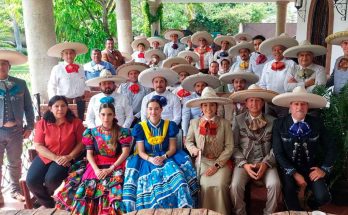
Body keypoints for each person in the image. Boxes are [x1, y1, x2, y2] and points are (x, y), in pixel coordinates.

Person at [122, 98, 199, 211]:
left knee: (180, 181)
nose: (153, 112)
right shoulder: (141, 128)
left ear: (161, 110)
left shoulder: (169, 125)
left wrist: (163, 157)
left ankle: (181, 210)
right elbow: (141, 151)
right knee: (150, 189)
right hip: (146, 159)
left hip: (167, 156)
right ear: (147, 110)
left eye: (156, 109)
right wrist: (151, 159)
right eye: (150, 109)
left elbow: (172, 148)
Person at [55, 101, 132, 214]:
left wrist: (111, 169)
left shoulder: (122, 132)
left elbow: (125, 153)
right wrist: (96, 170)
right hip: (96, 164)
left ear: (114, 115)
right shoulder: (91, 132)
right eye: (103, 114)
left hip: (116, 164)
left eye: (109, 114)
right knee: (89, 188)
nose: (106, 118)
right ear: (99, 115)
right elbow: (89, 154)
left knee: (114, 189)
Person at [272, 86, 336, 210]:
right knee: (292, 202)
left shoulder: (317, 123)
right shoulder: (279, 124)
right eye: (296, 104)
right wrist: (294, 173)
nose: (300, 107)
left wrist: (323, 169)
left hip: (311, 169)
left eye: (303, 104)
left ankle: (310, 203)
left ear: (308, 107)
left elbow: (331, 147)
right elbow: (278, 153)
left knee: (324, 197)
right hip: (289, 170)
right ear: (290, 107)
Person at [229, 84, 281, 215]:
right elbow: (234, 147)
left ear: (263, 103)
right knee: (234, 186)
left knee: (275, 184)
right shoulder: (238, 120)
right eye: (251, 100)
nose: (254, 103)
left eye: (258, 100)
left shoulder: (273, 121)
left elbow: (276, 148)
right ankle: (240, 212)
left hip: (267, 163)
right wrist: (245, 165)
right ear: (246, 103)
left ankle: (268, 213)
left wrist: (265, 164)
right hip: (244, 163)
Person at [26, 96, 84, 208]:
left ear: (67, 108)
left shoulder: (75, 123)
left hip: (65, 158)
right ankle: (48, 203)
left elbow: (81, 143)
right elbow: (38, 145)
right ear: (50, 108)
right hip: (46, 156)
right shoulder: (42, 123)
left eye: (63, 106)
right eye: (56, 106)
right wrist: (55, 158)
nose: (60, 109)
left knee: (51, 180)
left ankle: (44, 199)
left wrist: (70, 156)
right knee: (31, 181)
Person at [185, 87, 233, 215]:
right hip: (203, 161)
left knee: (220, 184)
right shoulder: (194, 123)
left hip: (221, 162)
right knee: (205, 185)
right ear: (201, 107)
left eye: (212, 105)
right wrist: (194, 149)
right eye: (205, 105)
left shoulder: (225, 123)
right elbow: (188, 141)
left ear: (216, 107)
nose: (208, 108)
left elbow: (229, 147)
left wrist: (217, 165)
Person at [0, 50, 34, 204]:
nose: (1, 66)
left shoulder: (20, 83)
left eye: (4, 63)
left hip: (15, 131)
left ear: (9, 66)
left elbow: (28, 106)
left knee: (15, 161)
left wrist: (30, 126)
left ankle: (15, 190)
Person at [47, 42, 90, 120]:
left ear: (75, 54)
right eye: (66, 53)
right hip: (64, 103)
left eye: (71, 53)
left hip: (79, 101)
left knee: (79, 123)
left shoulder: (80, 67)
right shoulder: (57, 68)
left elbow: (84, 81)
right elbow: (51, 86)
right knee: (65, 124)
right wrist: (54, 102)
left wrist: (86, 89)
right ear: (62, 55)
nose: (69, 55)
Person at [259, 33, 298, 117]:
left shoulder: (292, 64)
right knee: (269, 123)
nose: (277, 52)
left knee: (283, 123)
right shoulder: (267, 65)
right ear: (272, 51)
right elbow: (262, 83)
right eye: (274, 50)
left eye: (280, 49)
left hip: (285, 101)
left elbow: (295, 83)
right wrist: (266, 97)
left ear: (285, 50)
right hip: (269, 102)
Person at [181, 73, 220, 140]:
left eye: (203, 85)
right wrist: (185, 135)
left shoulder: (214, 98)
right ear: (194, 87)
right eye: (198, 86)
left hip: (213, 125)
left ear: (207, 87)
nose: (200, 88)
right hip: (195, 128)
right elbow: (185, 117)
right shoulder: (188, 99)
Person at [117, 62, 151, 126]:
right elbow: (119, 101)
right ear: (128, 76)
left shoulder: (146, 87)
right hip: (124, 116)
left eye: (136, 73)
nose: (133, 75)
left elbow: (148, 105)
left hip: (140, 116)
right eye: (131, 74)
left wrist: (136, 116)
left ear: (139, 74)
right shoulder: (122, 86)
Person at [325, 28, 348, 93]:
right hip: (337, 99)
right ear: (341, 45)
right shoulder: (338, 60)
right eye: (345, 43)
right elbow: (333, 77)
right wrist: (321, 85)